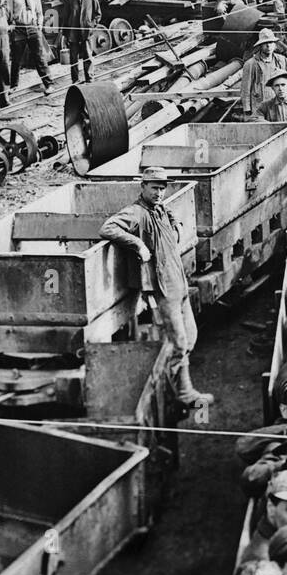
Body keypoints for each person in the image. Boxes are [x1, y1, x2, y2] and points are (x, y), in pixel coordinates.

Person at [99, 168, 213, 411]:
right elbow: (108, 228)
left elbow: (170, 216)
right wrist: (137, 243)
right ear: (143, 186)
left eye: (162, 188)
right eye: (154, 187)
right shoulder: (137, 213)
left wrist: (177, 224)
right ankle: (181, 394)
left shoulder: (159, 209)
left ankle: (175, 388)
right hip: (164, 287)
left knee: (190, 337)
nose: (159, 192)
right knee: (179, 343)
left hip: (179, 282)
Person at [6, 0, 53, 92]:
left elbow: (39, 13)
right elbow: (8, 14)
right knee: (16, 59)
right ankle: (13, 86)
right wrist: (12, 24)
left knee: (40, 57)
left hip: (33, 28)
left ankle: (48, 84)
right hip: (19, 29)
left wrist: (39, 26)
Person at [61, 0, 102, 85]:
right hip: (73, 33)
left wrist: (92, 26)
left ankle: (89, 78)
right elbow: (65, 17)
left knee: (88, 56)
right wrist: (65, 34)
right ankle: (75, 80)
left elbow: (98, 14)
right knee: (73, 58)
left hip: (86, 32)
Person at [240, 28, 285, 116]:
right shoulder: (251, 64)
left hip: (276, 103)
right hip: (259, 106)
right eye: (265, 43)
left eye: (271, 42)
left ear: (275, 45)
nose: (268, 46)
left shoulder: (280, 60)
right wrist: (247, 110)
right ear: (260, 45)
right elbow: (245, 89)